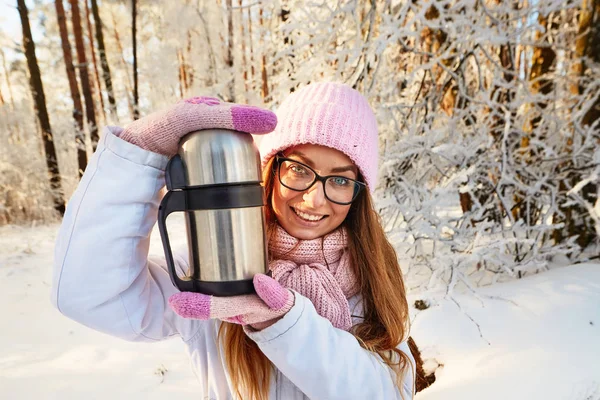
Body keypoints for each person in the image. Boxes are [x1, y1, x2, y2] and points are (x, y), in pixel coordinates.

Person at [52, 82, 416, 400]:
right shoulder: (212, 265)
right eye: (299, 169)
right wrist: (138, 153)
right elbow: (90, 297)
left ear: (359, 193)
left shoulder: (373, 274)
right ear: (271, 169)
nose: (314, 199)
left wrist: (286, 324)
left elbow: (390, 391)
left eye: (339, 180)